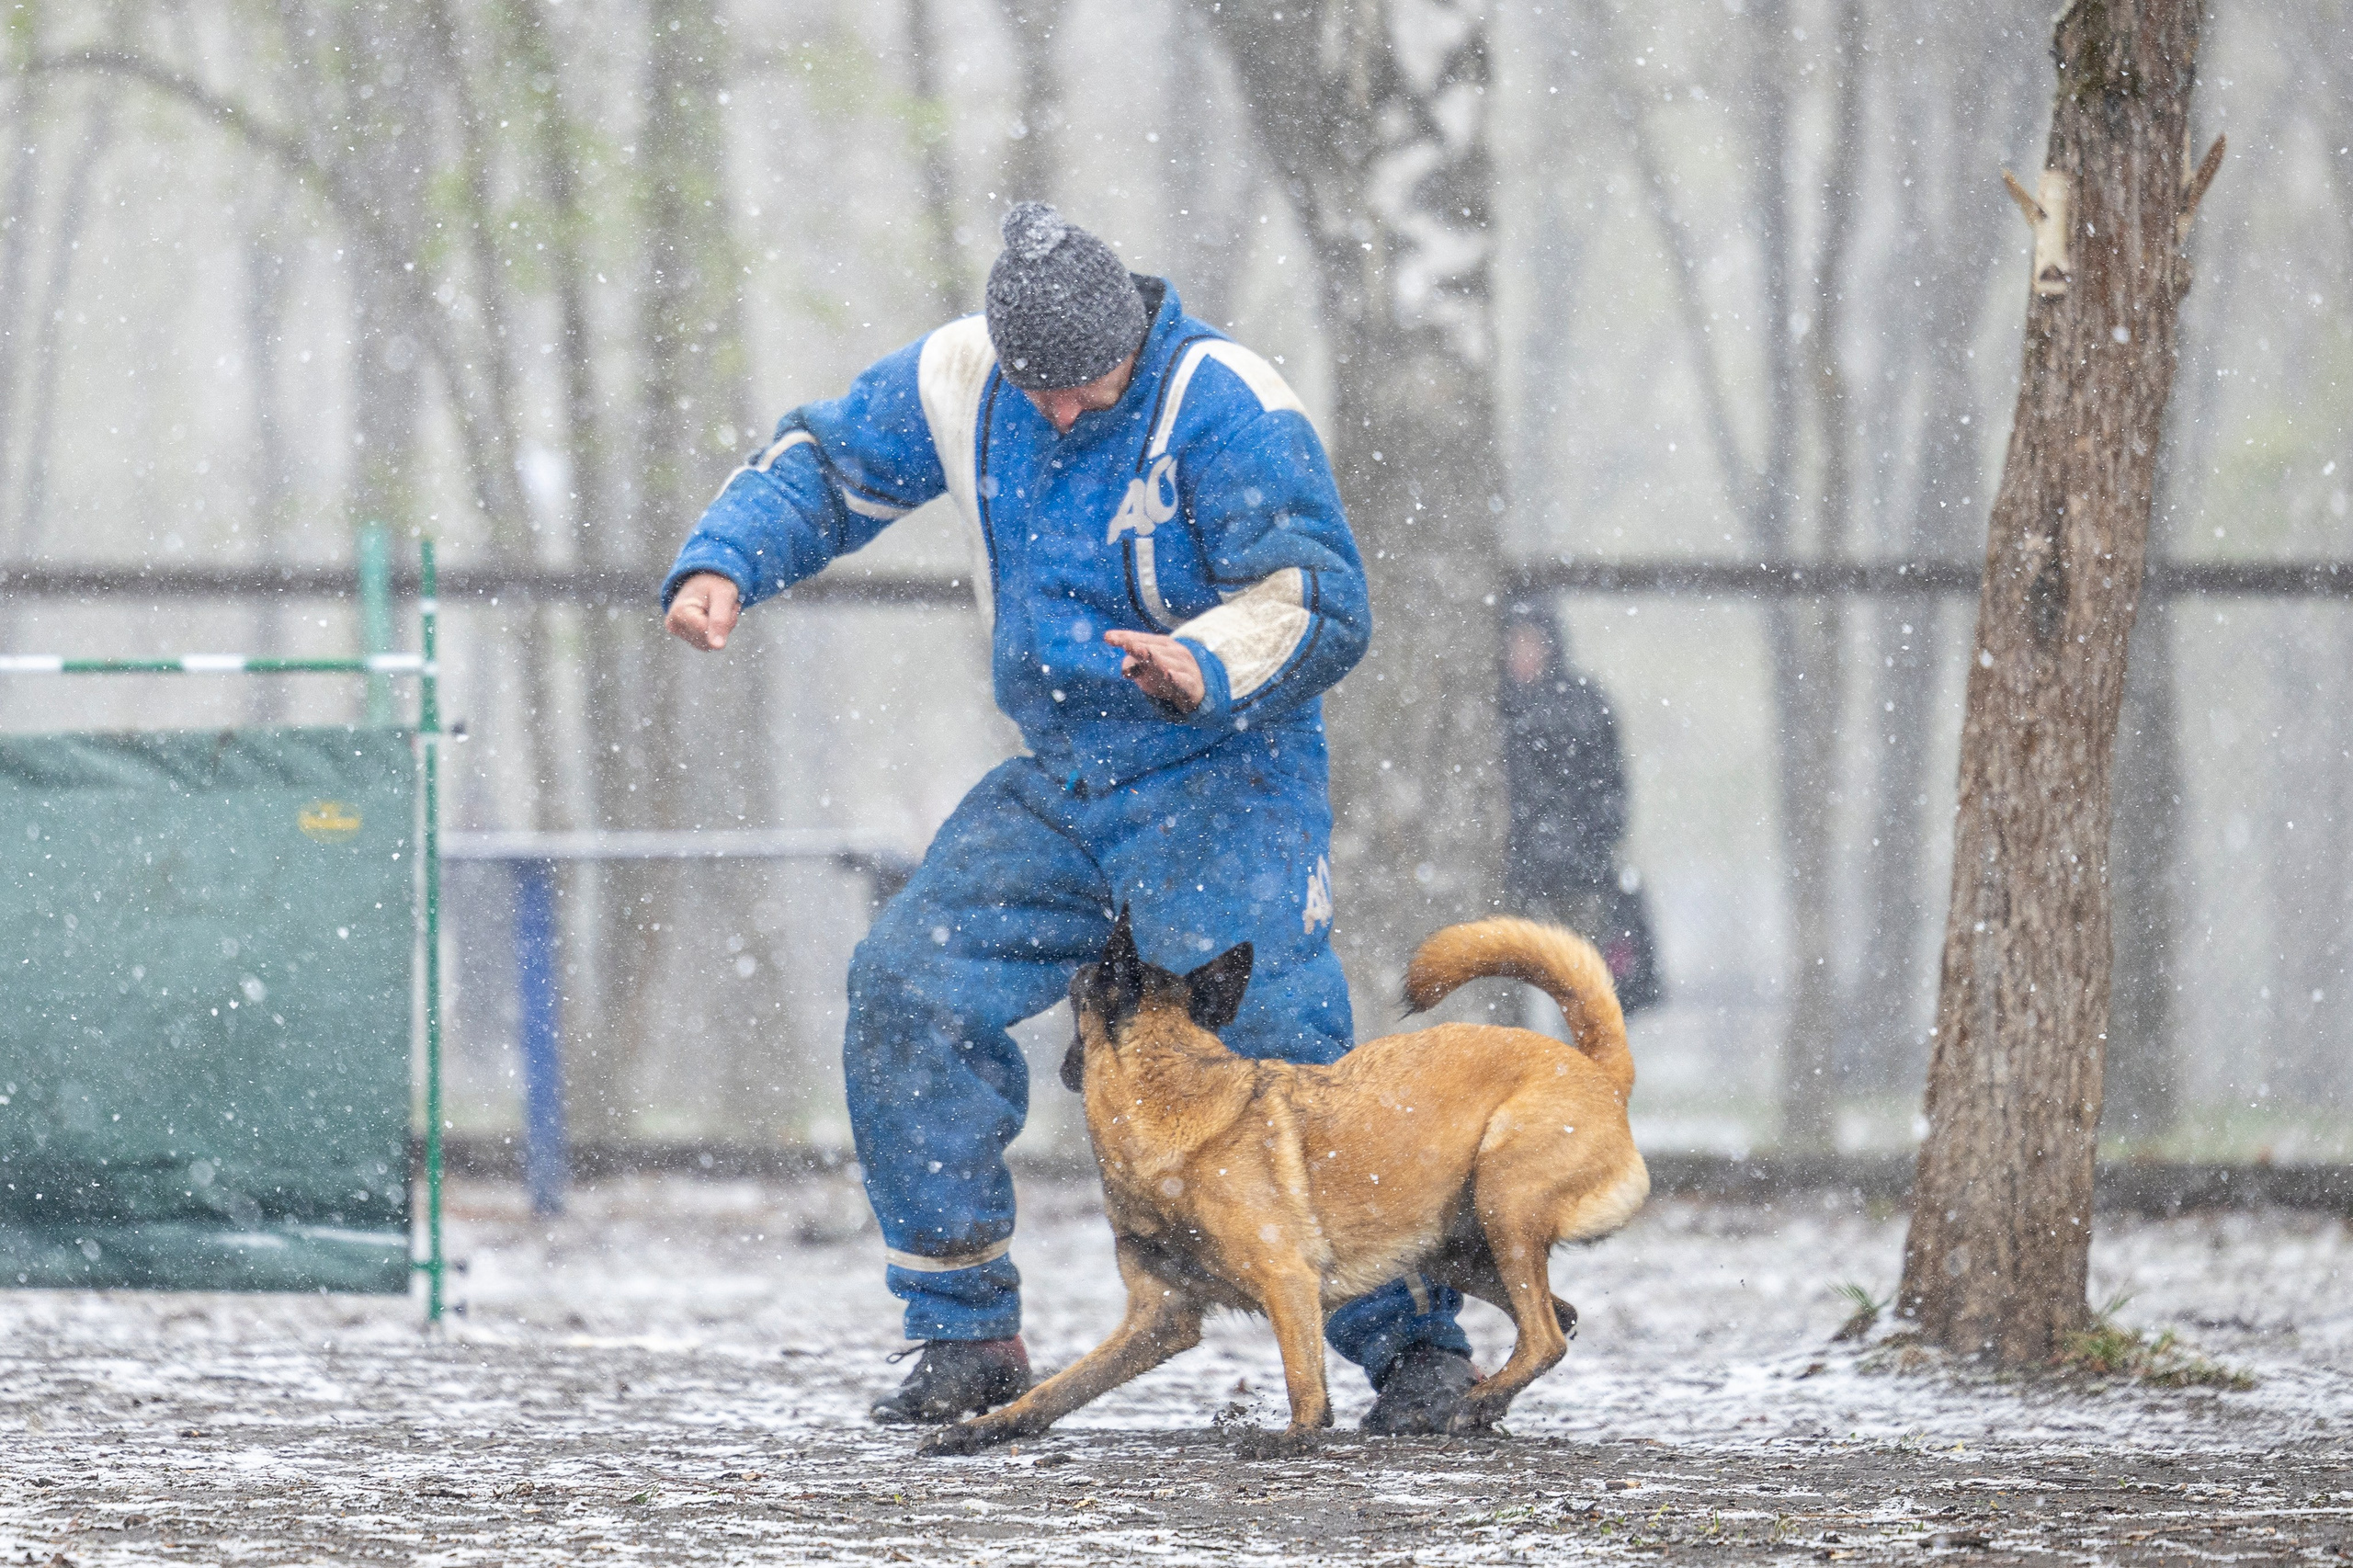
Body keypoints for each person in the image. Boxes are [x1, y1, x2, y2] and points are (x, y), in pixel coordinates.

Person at [662, 203, 1478, 1432]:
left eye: (1081, 390)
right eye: (1032, 388)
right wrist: (726, 560)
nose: (1054, 413)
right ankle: (965, 1331)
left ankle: (1411, 1344)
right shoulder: (959, 378)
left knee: (1280, 1045)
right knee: (908, 984)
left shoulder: (1226, 402)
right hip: (1066, 773)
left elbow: (1322, 599)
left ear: (1131, 339)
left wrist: (1203, 661)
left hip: (1225, 772)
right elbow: (825, 466)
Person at [1498, 599, 1662, 1017]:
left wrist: (1581, 842)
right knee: (1506, 991)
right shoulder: (1493, 707)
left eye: (1531, 642)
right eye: (1513, 643)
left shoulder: (1584, 705)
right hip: (1514, 874)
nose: (1523, 655)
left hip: (1577, 875)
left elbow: (1611, 790)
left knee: (1581, 996)